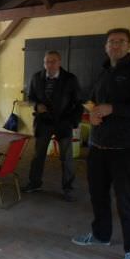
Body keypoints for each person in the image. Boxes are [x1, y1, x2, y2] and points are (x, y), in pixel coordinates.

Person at [72, 28, 130, 259]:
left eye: (121, 42)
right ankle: (101, 235)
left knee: (126, 201)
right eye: (111, 42)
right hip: (99, 146)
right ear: (105, 46)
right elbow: (93, 102)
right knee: (98, 195)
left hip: (126, 148)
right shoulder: (103, 74)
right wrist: (92, 113)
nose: (115, 45)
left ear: (129, 45)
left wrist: (112, 108)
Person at [22, 50, 83, 202]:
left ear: (59, 62)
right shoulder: (37, 77)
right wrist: (36, 106)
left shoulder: (70, 79)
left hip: (63, 123)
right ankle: (34, 183)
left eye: (53, 61)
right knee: (38, 156)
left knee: (66, 158)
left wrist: (73, 122)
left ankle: (68, 189)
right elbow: (30, 98)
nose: (50, 65)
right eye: (47, 62)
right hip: (43, 123)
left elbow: (78, 102)